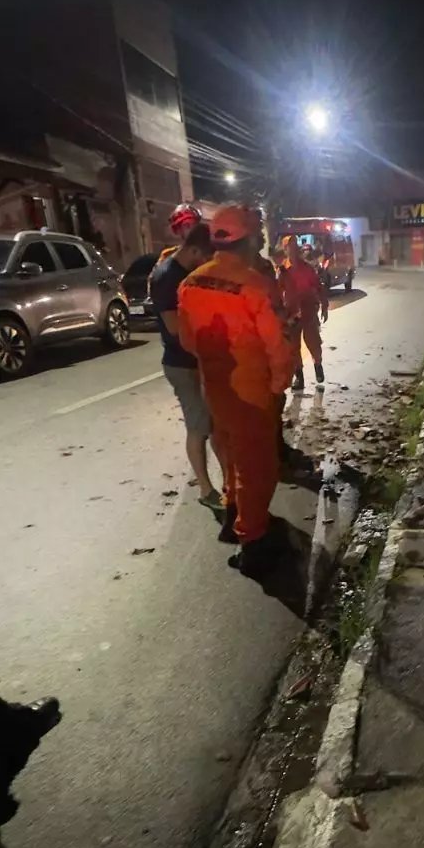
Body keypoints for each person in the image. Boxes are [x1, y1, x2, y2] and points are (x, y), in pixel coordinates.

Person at [177, 204, 296, 575]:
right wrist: (278, 385)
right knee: (257, 468)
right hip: (252, 393)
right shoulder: (255, 285)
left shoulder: (190, 282)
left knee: (231, 458)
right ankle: (253, 542)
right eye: (258, 237)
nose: (260, 243)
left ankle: (233, 515)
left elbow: (188, 341)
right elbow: (278, 346)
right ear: (249, 241)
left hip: (216, 388)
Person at [148, 222, 223, 510]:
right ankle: (205, 489)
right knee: (198, 427)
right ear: (193, 250)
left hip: (197, 361)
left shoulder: (185, 273)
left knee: (212, 424)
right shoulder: (167, 277)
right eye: (205, 257)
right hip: (182, 365)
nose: (206, 264)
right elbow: (175, 327)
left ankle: (228, 481)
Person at [279, 237, 328, 392]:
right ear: (285, 249)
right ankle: (299, 377)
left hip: (308, 310)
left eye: (295, 246)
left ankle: (318, 365)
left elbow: (318, 286)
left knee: (313, 342)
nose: (293, 249)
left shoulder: (307, 268)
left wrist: (324, 305)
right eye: (290, 246)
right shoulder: (283, 270)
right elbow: (277, 291)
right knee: (293, 347)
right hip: (291, 313)